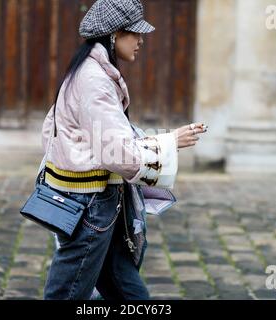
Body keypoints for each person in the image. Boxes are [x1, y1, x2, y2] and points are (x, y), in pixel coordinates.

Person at [40, 0, 207, 300]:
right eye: (135, 33)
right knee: (65, 295)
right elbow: (118, 154)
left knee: (126, 292)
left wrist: (168, 140)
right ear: (115, 34)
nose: (141, 40)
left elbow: (74, 136)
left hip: (94, 205)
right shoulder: (94, 80)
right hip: (90, 208)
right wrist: (169, 143)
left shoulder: (89, 71)